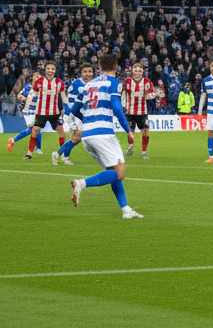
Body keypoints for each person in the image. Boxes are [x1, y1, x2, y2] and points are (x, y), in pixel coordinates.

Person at [69, 53, 143, 219]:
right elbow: (117, 109)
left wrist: (86, 121)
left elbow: (74, 110)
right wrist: (128, 131)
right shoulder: (114, 83)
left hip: (87, 135)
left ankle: (126, 210)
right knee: (120, 173)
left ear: (99, 68)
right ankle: (81, 183)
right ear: (116, 68)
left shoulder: (87, 85)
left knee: (113, 171)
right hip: (103, 133)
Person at [53, 64, 94, 167]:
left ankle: (62, 156)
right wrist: (67, 117)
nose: (88, 74)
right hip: (75, 114)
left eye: (90, 71)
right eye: (85, 71)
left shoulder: (94, 84)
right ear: (81, 73)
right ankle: (60, 155)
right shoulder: (76, 84)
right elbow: (69, 101)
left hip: (85, 115)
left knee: (77, 138)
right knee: (77, 136)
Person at [26, 63, 65, 161]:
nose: (50, 71)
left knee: (61, 131)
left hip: (55, 113)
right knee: (35, 131)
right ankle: (29, 153)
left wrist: (67, 109)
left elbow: (64, 97)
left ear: (55, 71)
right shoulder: (39, 81)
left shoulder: (59, 82)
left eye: (52, 69)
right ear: (45, 70)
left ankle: (63, 154)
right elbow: (34, 93)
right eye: (48, 68)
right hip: (41, 112)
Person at [122, 62, 156, 160]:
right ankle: (130, 147)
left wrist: (148, 96)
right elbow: (123, 95)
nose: (138, 72)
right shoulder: (127, 82)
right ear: (132, 71)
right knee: (130, 133)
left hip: (142, 112)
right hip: (130, 111)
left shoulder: (147, 82)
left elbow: (151, 95)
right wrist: (123, 106)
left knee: (145, 132)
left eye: (140, 71)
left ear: (142, 72)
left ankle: (143, 152)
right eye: (136, 70)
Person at [7, 70, 41, 153]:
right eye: (36, 75)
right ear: (32, 77)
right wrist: (24, 98)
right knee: (32, 129)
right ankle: (13, 140)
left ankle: (38, 148)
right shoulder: (28, 87)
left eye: (39, 76)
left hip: (36, 111)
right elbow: (19, 95)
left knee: (38, 129)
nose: (37, 77)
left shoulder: (41, 88)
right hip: (29, 111)